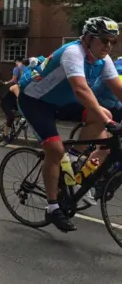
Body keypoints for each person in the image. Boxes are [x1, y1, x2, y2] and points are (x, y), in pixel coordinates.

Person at [18, 17, 122, 232]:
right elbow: (81, 90)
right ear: (87, 38)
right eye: (104, 40)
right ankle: (53, 207)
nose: (108, 46)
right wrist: (108, 122)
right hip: (36, 101)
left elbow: (118, 89)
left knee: (102, 112)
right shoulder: (73, 52)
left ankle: (73, 158)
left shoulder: (104, 60)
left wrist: (104, 116)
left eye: (113, 42)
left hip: (62, 102)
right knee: (55, 151)